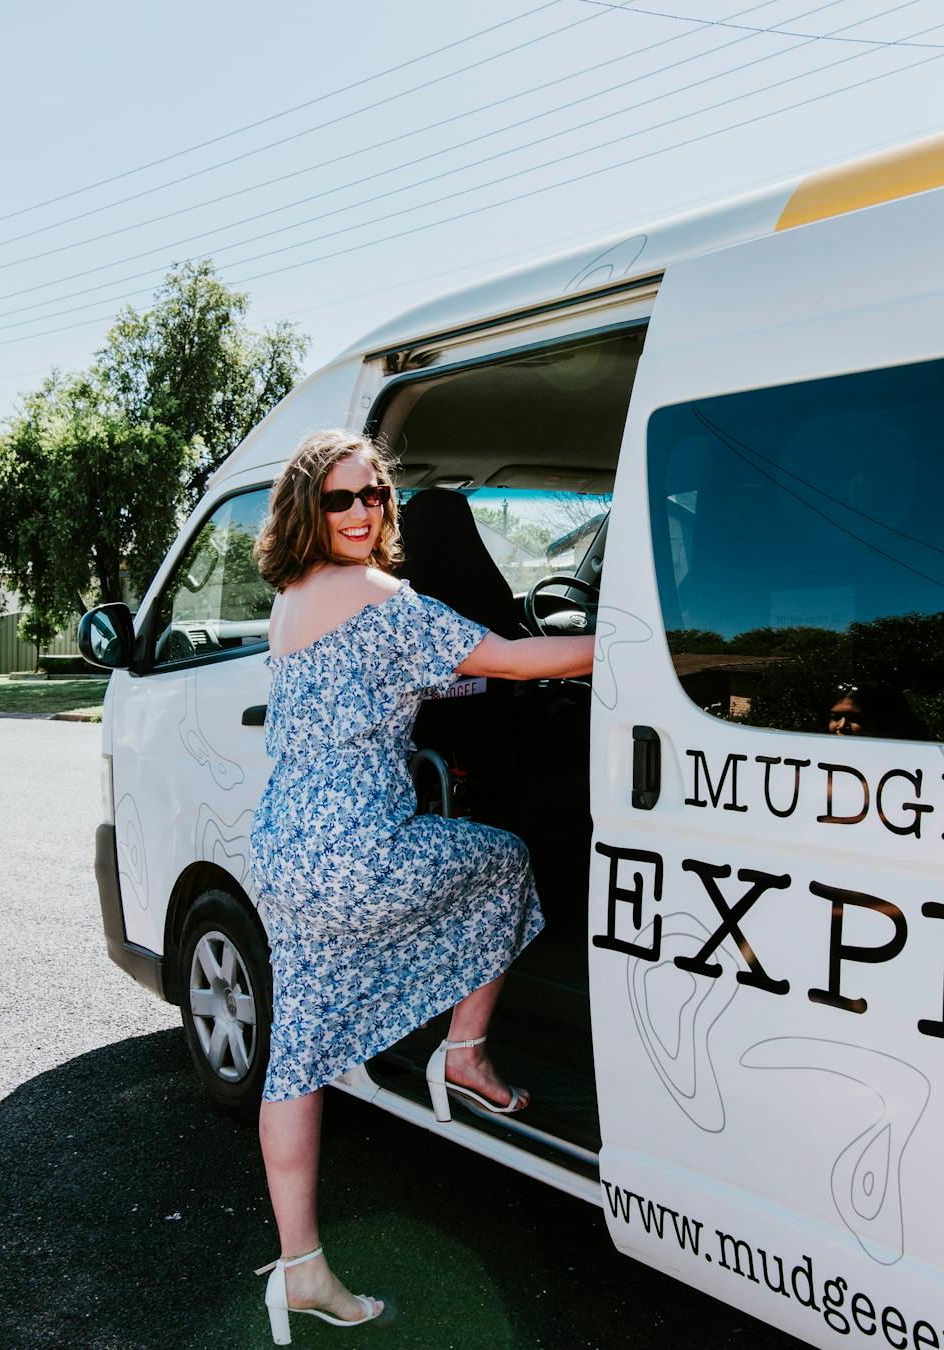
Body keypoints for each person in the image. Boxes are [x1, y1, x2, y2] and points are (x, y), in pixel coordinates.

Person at [248, 430, 593, 1340]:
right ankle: (465, 1052)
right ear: (308, 509)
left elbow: (377, 685)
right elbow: (516, 661)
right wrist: (633, 641)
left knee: (296, 1059)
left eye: (377, 498)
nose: (364, 512)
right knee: (505, 863)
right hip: (355, 847)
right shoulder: (374, 591)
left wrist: (467, 681)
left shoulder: (293, 597)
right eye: (343, 499)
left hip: (283, 853)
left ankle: (302, 1270)